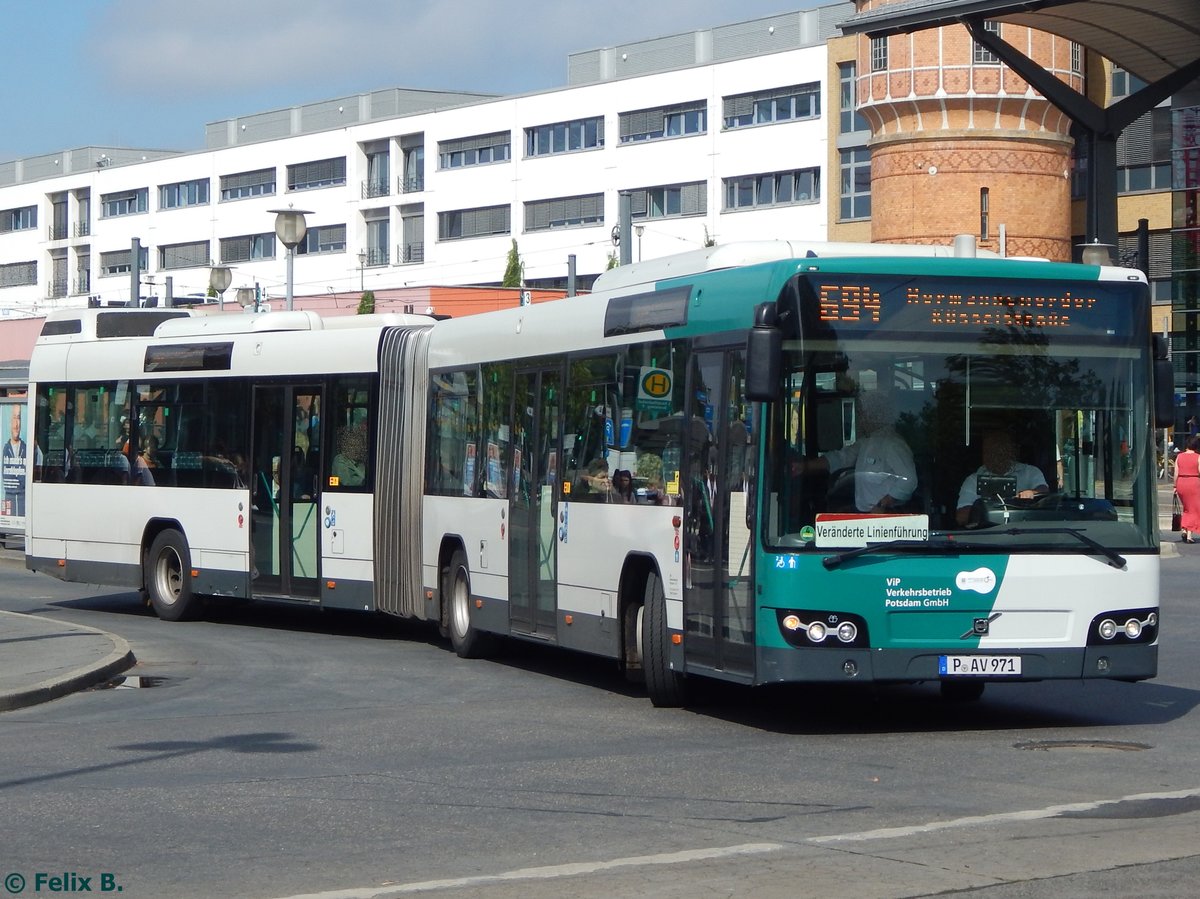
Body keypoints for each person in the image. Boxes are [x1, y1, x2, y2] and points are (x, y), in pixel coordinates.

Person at [796, 390, 917, 513]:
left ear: (874, 415)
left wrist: (883, 504)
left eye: (862, 412)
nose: (860, 417)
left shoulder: (893, 444)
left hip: (887, 517)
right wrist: (804, 466)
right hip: (865, 514)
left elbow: (909, 480)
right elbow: (841, 458)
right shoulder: (866, 442)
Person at [956, 430, 1049, 526]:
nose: (996, 455)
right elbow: (961, 517)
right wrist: (983, 507)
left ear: (1012, 451)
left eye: (1001, 449)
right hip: (985, 536)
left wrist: (1031, 493)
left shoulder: (1030, 472)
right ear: (983, 453)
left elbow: (1044, 492)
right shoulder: (973, 481)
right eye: (991, 450)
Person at [1174, 434, 1200, 543]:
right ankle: (1189, 534)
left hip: (1181, 482)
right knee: (1194, 509)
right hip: (1193, 482)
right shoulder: (1198, 457)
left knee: (1187, 507)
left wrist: (1175, 486)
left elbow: (1176, 473)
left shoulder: (1179, 456)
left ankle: (1184, 529)